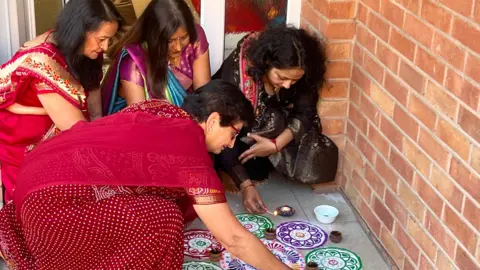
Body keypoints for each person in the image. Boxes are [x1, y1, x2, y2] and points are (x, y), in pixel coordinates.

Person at [0, 80, 292, 270]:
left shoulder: (158, 109)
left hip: (33, 183)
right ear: (214, 120)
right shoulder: (188, 147)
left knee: (153, 206)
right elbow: (234, 240)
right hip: (50, 213)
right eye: (233, 133)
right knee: (164, 219)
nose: (231, 144)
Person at [0, 0, 122, 203]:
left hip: (65, 139)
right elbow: (78, 133)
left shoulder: (85, 50)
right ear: (79, 31)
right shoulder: (43, 61)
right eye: (102, 39)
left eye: (109, 39)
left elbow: (94, 112)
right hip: (29, 154)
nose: (106, 47)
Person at [214, 26, 339, 213]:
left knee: (312, 142)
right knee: (237, 160)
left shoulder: (302, 69)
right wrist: (246, 185)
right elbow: (224, 127)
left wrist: (276, 144)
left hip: (270, 132)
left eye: (294, 81)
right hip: (235, 132)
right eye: (282, 77)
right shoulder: (239, 73)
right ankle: (234, 172)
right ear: (266, 63)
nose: (288, 84)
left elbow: (305, 113)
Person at [101, 0, 211, 116]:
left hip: (187, 118)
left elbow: (203, 97)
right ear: (154, 36)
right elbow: (141, 118)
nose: (178, 47)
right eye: (170, 40)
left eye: (183, 38)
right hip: (143, 125)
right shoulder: (134, 61)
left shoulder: (195, 38)